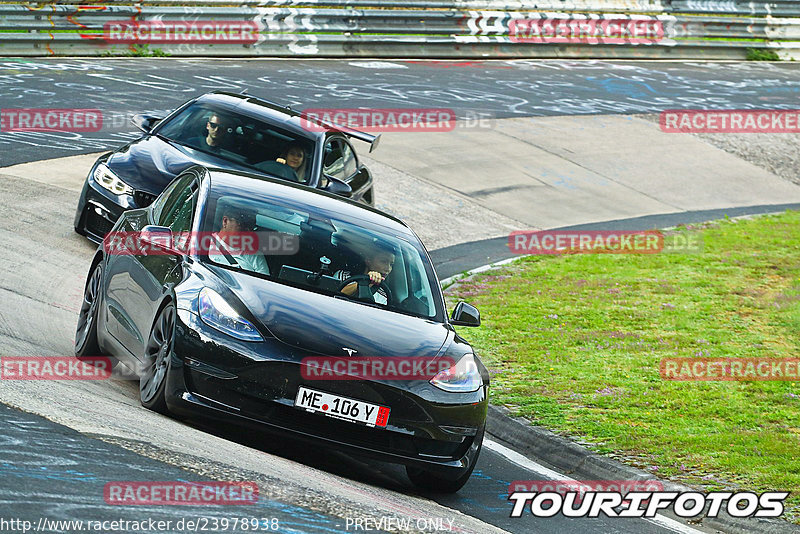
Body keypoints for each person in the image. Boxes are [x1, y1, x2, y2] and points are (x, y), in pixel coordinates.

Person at [209, 206, 270, 276]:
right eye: (243, 225)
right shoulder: (204, 243)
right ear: (225, 221)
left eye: (251, 227)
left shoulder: (256, 256)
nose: (248, 231)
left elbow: (262, 284)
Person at [334, 240, 395, 305]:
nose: (388, 269)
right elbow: (334, 295)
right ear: (368, 260)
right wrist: (365, 282)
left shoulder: (383, 295)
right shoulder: (343, 276)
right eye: (383, 262)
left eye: (391, 264)